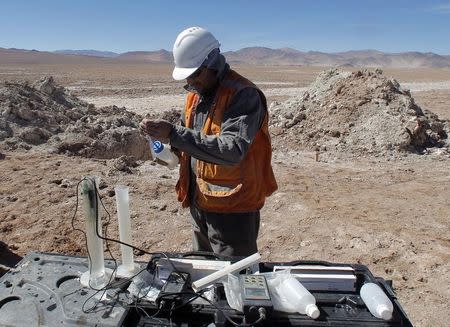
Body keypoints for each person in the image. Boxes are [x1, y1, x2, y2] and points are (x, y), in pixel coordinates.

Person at [140, 26, 277, 257]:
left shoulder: (243, 95)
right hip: (200, 203)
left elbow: (232, 149)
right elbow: (190, 141)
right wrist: (164, 144)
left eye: (196, 74)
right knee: (205, 276)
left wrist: (173, 133)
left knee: (234, 280)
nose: (191, 81)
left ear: (213, 62)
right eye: (187, 76)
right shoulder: (195, 95)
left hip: (233, 210)